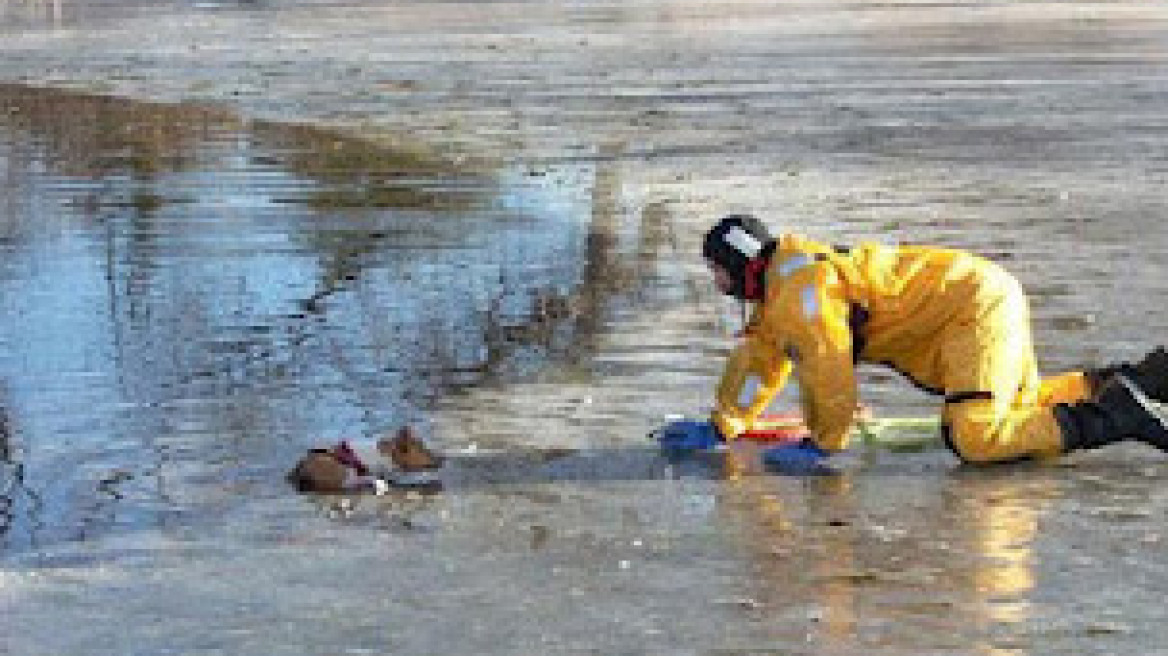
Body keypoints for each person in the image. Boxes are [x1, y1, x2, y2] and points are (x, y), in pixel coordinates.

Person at [694, 214, 1168, 473]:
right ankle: (1134, 381)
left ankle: (1119, 414)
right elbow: (762, 358)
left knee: (977, 436)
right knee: (1020, 411)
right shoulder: (786, 285)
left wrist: (824, 442)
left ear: (742, 265)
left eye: (717, 270)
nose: (716, 282)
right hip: (976, 294)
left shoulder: (799, 296)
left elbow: (826, 368)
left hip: (971, 307)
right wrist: (725, 424)